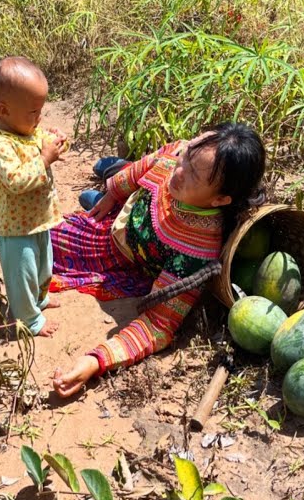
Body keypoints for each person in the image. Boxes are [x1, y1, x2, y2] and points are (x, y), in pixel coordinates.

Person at [49, 124, 266, 398]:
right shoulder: (182, 155)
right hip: (124, 218)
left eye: (194, 175)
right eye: (186, 156)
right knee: (107, 190)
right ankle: (109, 180)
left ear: (220, 199)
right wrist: (114, 193)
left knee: (45, 243)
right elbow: (150, 164)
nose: (179, 171)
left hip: (123, 256)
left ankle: (107, 175)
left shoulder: (195, 249)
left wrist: (95, 361)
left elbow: (158, 326)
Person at [0, 56, 68, 338]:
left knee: (43, 268)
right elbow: (16, 181)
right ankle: (29, 319)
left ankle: (39, 300)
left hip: (38, 219)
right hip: (15, 228)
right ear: (4, 110)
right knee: (23, 275)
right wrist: (44, 159)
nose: (39, 118)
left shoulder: (28, 130)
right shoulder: (0, 144)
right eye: (34, 111)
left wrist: (58, 142)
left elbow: (47, 144)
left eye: (41, 110)